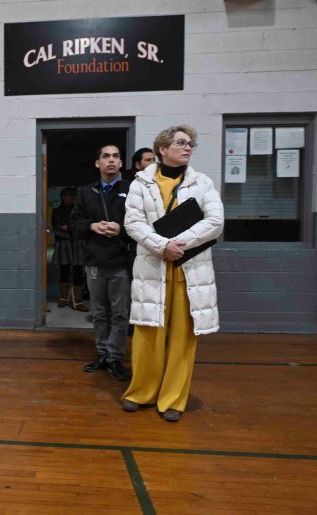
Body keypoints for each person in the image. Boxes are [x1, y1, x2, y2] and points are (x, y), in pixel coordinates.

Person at [121, 125, 224, 422]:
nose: (187, 147)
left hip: (189, 272)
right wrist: (163, 246)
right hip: (153, 268)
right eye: (180, 142)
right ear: (162, 149)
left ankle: (173, 399)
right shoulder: (141, 182)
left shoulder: (202, 182)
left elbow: (215, 222)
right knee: (147, 334)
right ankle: (141, 392)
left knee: (183, 338)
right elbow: (133, 223)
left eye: (190, 143)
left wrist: (181, 244)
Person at [70, 144, 132, 381]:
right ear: (98, 163)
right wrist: (92, 226)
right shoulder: (86, 192)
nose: (111, 160)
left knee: (119, 314)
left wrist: (121, 229)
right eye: (106, 156)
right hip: (95, 261)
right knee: (99, 313)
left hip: (121, 262)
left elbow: (143, 224)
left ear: (121, 163)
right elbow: (75, 223)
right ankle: (103, 355)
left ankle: (115, 358)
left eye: (116, 156)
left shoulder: (132, 189)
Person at [51, 186, 88, 311]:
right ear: (63, 197)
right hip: (64, 243)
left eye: (73, 196)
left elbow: (81, 226)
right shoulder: (57, 211)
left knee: (79, 272)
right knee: (64, 271)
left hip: (78, 244)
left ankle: (78, 301)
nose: (70, 198)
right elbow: (57, 229)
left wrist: (68, 227)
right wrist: (71, 229)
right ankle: (63, 298)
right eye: (68, 195)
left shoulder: (79, 211)